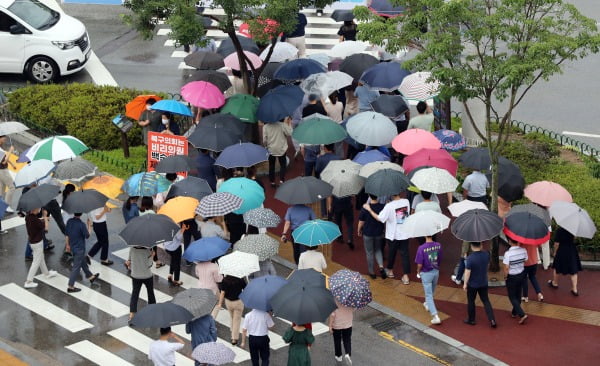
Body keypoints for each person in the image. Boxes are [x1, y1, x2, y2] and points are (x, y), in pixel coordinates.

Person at [363, 193, 411, 284]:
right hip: (404, 233)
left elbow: (380, 218)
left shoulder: (389, 206)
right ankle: (406, 276)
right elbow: (401, 216)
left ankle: (390, 270)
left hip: (393, 234)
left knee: (392, 253)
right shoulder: (406, 201)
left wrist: (369, 209)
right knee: (405, 254)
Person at [462, 242, 496, 327]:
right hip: (483, 282)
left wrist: (465, 283)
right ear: (481, 245)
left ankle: (471, 319)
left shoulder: (470, 258)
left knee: (471, 301)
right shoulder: (486, 254)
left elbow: (467, 272)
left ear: (471, 246)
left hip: (473, 284)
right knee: (486, 300)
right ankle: (492, 319)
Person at [66, 213, 99, 293]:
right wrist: (89, 226)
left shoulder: (69, 221)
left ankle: (90, 276)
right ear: (81, 214)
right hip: (80, 248)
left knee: (82, 261)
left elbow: (67, 234)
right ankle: (71, 286)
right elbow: (87, 236)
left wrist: (67, 245)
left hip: (72, 246)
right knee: (76, 268)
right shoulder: (81, 224)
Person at [24, 207, 57, 288]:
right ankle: (28, 281)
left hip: (32, 241)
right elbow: (46, 228)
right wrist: (45, 217)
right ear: (34, 209)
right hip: (37, 242)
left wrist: (43, 219)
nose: (39, 209)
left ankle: (46, 273)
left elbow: (37, 223)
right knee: (36, 262)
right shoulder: (35, 219)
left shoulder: (28, 217)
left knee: (41, 258)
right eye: (38, 208)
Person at [415, 235, 442, 325]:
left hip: (426, 273)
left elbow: (419, 264)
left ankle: (435, 316)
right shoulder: (438, 245)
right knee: (432, 291)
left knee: (428, 295)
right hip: (435, 271)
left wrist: (418, 271)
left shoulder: (421, 248)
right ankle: (427, 304)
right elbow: (440, 258)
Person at [358, 194, 386, 279]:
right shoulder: (383, 206)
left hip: (368, 233)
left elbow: (361, 221)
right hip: (379, 232)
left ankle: (371, 272)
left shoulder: (365, 207)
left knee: (369, 252)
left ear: (369, 196)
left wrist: (358, 230)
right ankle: (381, 267)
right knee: (378, 250)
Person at [548, 227, 582, 296]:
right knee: (573, 269)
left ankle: (555, 283)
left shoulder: (559, 229)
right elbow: (574, 238)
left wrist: (555, 252)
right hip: (571, 250)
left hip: (562, 250)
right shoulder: (573, 228)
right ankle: (574, 289)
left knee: (557, 266)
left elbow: (557, 243)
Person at [126, 245, 156, 321]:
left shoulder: (132, 248)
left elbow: (128, 261)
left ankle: (132, 314)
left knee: (135, 294)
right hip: (147, 276)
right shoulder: (148, 249)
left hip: (135, 275)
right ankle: (153, 311)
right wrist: (152, 255)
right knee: (150, 293)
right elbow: (149, 264)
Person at [503, 238, 528, 324]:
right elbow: (525, 260)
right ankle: (514, 312)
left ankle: (522, 314)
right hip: (521, 274)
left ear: (509, 242)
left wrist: (505, 277)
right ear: (518, 241)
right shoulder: (523, 250)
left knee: (512, 296)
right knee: (518, 294)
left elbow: (506, 267)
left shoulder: (508, 254)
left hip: (512, 277)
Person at [263, 117, 292, 187]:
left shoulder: (266, 126)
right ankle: (281, 180)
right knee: (282, 165)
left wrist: (266, 146)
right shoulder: (282, 125)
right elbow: (290, 133)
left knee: (271, 165)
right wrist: (289, 123)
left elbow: (264, 140)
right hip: (281, 148)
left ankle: (272, 181)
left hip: (271, 149)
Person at [218, 275, 247, 345]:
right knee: (237, 320)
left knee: (232, 317)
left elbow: (222, 293)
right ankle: (234, 338)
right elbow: (246, 289)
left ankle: (232, 330)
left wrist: (220, 303)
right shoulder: (240, 279)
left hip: (228, 302)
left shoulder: (225, 280)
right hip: (238, 302)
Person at [328, 300, 354, 364]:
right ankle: (348, 354)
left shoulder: (334, 300)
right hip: (348, 324)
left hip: (337, 325)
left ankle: (338, 356)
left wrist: (330, 325)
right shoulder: (351, 300)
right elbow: (353, 309)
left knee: (337, 340)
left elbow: (333, 314)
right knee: (347, 340)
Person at [165, 222, 187, 286]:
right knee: (177, 263)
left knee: (173, 259)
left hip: (167, 247)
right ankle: (176, 280)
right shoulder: (176, 226)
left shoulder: (166, 224)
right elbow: (179, 237)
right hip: (175, 248)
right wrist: (183, 230)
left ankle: (170, 274)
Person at [0, 135, 16, 212]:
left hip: (1, 171)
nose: (5, 139)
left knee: (2, 189)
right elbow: (3, 162)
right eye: (3, 137)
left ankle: (2, 205)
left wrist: (12, 164)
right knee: (12, 187)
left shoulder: (0, 147)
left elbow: (4, 157)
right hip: (3, 170)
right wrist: (10, 150)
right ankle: (6, 206)